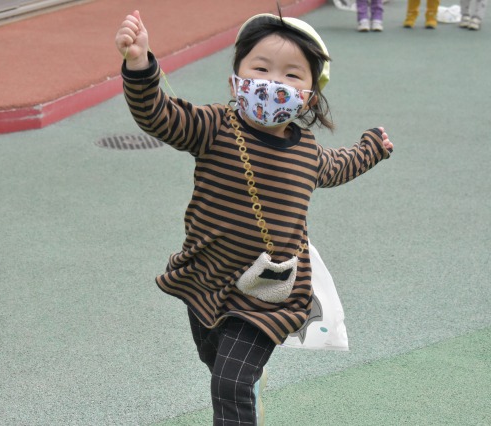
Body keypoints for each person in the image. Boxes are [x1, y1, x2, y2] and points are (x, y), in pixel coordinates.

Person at [115, 10, 393, 426]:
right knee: (216, 360)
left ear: (309, 97)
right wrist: (139, 65)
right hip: (208, 277)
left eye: (291, 75)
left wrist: (372, 148)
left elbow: (340, 165)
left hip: (269, 291)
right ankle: (247, 388)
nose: (273, 83)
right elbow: (158, 114)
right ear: (236, 81)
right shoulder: (213, 127)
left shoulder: (307, 153)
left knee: (230, 382)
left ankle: (242, 392)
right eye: (261, 69)